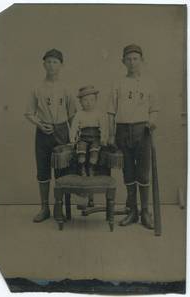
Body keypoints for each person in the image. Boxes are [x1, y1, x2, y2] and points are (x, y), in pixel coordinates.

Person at [108, 44, 159, 229]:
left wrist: (152, 121)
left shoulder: (150, 82)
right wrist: (111, 133)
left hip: (143, 131)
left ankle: (145, 211)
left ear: (142, 60)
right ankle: (133, 211)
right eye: (128, 59)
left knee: (143, 173)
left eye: (135, 58)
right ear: (123, 61)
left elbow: (154, 108)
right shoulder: (118, 82)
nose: (132, 62)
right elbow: (111, 111)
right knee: (128, 172)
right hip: (122, 131)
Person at [25, 48, 76, 223]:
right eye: (48, 62)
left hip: (62, 131)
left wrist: (72, 137)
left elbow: (72, 115)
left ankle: (59, 207)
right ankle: (44, 207)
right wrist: (39, 124)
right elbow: (29, 113)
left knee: (62, 171)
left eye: (55, 62)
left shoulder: (66, 88)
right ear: (43, 64)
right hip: (43, 132)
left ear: (61, 65)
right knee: (43, 170)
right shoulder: (37, 88)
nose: (52, 65)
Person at [70, 85, 107, 177]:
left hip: (95, 139)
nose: (88, 103)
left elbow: (104, 127)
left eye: (91, 100)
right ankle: (82, 168)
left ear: (96, 100)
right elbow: (74, 127)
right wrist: (72, 139)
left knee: (94, 155)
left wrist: (103, 138)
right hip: (83, 139)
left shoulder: (99, 113)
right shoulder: (79, 114)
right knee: (81, 155)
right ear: (80, 102)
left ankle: (91, 168)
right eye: (85, 100)